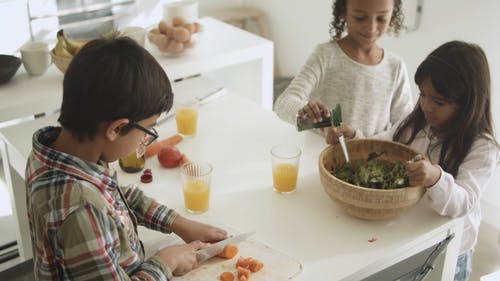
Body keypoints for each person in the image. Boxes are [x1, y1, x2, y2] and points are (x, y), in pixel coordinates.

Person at [25, 37, 227, 280]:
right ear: (115, 129)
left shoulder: (61, 152)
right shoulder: (81, 210)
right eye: (148, 129)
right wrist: (165, 263)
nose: (147, 139)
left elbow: (117, 196)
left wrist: (178, 223)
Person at [327, 40, 500, 281]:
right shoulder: (417, 122)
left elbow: (463, 204)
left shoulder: (483, 148)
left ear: (468, 104)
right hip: (411, 235)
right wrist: (355, 139)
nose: (427, 106)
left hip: (450, 249)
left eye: (439, 102)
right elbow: (384, 146)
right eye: (423, 95)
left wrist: (435, 177)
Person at [274, 0, 413, 137]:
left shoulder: (395, 67)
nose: (371, 27)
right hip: (318, 153)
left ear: (392, 15)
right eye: (360, 17)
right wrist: (304, 111)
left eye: (381, 18)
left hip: (369, 157)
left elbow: (405, 127)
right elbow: (282, 104)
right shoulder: (325, 56)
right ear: (343, 12)